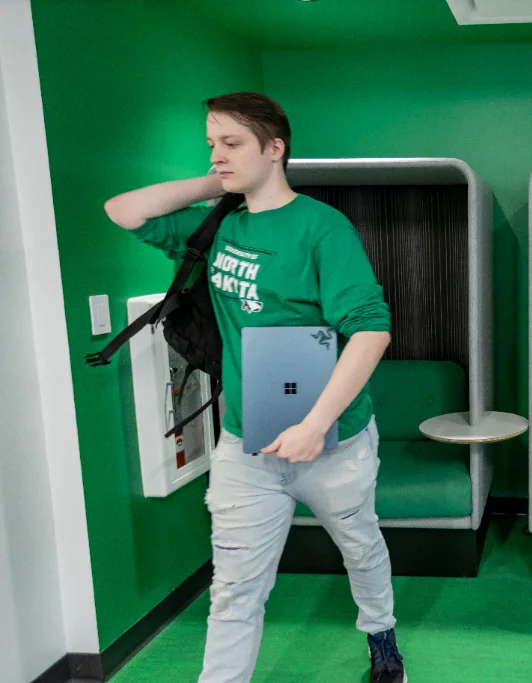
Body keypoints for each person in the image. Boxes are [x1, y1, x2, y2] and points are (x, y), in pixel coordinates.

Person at [104, 92, 406, 683]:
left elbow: (371, 331)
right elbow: (123, 210)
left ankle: (381, 633)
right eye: (211, 144)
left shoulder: (322, 227)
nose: (217, 154)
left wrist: (316, 425)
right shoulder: (218, 224)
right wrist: (217, 181)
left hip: (333, 440)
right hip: (246, 441)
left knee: (361, 549)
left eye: (232, 143)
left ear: (276, 149)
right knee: (235, 590)